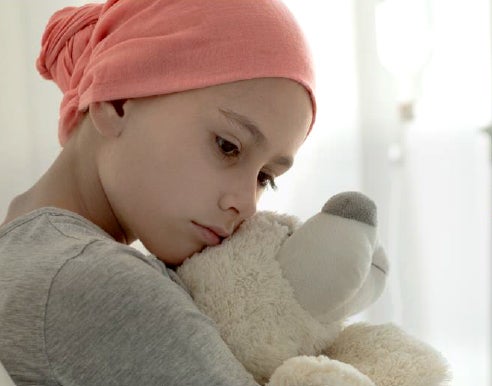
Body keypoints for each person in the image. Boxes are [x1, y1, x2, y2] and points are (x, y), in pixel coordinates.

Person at [0, 0, 316, 385]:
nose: (247, 205)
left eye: (265, 177)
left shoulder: (29, 254)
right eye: (227, 146)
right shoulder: (99, 283)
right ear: (115, 100)